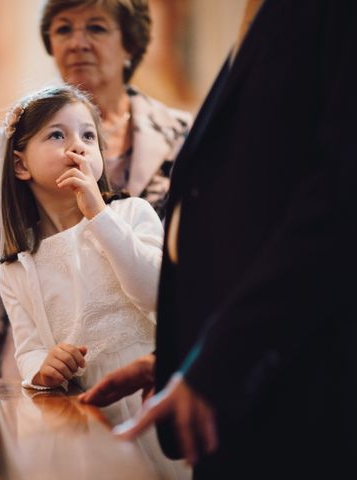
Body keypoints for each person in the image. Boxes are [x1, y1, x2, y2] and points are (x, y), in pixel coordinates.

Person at [79, 0, 357, 478]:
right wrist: (184, 349)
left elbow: (337, 200)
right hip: (240, 375)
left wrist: (222, 359)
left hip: (296, 384)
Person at [0, 0, 192, 460]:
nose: (78, 41)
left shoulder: (175, 145)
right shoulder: (18, 254)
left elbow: (170, 284)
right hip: (71, 399)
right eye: (63, 29)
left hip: (154, 373)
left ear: (131, 43)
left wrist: (99, 213)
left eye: (96, 27)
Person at [0, 84, 189, 479]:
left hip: (148, 391)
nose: (78, 145)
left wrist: (99, 216)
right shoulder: (17, 266)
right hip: (84, 408)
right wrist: (42, 370)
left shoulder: (132, 214)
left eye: (88, 136)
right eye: (57, 135)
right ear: (20, 165)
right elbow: (29, 350)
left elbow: (156, 294)